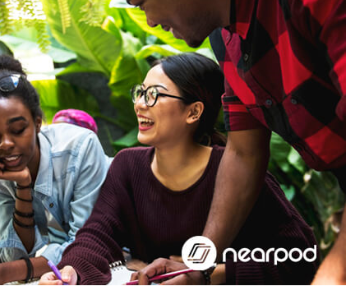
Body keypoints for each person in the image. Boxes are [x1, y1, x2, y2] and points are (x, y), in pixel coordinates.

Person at [111, 0, 346, 283]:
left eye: (143, 3)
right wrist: (198, 265)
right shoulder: (226, 38)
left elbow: (298, 255)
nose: (150, 21)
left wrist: (336, 272)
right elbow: (244, 153)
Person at [39, 53, 318, 285]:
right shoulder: (127, 166)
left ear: (193, 112)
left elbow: (300, 256)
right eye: (140, 93)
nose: (139, 104)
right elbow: (98, 235)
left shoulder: (237, 173)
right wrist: (71, 271)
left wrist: (210, 275)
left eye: (153, 95)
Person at [0, 54, 110, 285]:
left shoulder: (80, 147)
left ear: (38, 123)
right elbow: (14, 253)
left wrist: (7, 272)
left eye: (18, 129)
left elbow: (85, 246)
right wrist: (23, 186)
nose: (5, 144)